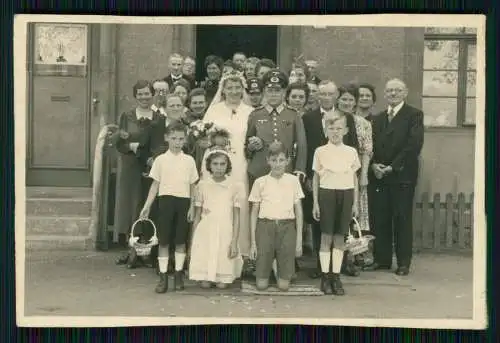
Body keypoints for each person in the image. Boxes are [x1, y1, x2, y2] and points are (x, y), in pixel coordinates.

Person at [365, 78, 424, 276]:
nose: (393, 94)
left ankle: (403, 262)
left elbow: (413, 146)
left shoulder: (414, 115)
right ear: (384, 94)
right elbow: (370, 145)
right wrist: (373, 165)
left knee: (401, 219)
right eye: (389, 90)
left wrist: (392, 167)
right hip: (379, 176)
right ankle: (382, 260)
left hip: (401, 176)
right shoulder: (378, 118)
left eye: (397, 90)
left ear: (405, 93)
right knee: (380, 218)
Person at [140, 122, 199, 293]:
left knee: (180, 241)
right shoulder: (160, 160)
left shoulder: (189, 161)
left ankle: (179, 275)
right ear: (167, 138)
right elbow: (155, 185)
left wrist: (192, 207)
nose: (177, 142)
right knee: (164, 241)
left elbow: (193, 186)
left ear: (185, 140)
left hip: (183, 202)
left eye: (181, 139)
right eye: (173, 138)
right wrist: (147, 206)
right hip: (165, 202)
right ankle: (163, 277)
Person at [203, 71, 254, 260]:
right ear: (223, 89)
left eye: (237, 87)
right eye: (229, 87)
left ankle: (242, 252)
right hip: (218, 162)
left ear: (243, 89)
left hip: (240, 163)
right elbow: (205, 135)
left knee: (239, 202)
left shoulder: (249, 112)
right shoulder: (215, 110)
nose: (233, 91)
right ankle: (215, 253)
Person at [113, 80, 165, 248]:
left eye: (147, 93)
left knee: (148, 202)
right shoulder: (126, 116)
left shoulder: (159, 118)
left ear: (153, 95)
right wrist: (130, 146)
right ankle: (132, 247)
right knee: (131, 202)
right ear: (135, 96)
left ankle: (148, 245)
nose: (144, 97)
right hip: (131, 165)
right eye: (140, 94)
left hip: (151, 166)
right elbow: (119, 143)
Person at [312, 115, 360, 295]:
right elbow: (316, 178)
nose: (335, 132)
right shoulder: (320, 151)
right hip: (326, 194)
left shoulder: (351, 152)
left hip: (346, 194)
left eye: (339, 128)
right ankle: (325, 277)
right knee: (326, 237)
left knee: (340, 237)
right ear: (325, 131)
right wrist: (316, 202)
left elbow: (354, 178)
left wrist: (355, 202)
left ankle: (336, 276)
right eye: (331, 128)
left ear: (345, 131)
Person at [249, 141, 304, 291]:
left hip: (287, 228)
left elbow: (298, 211)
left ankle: (280, 268)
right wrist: (253, 243)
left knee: (284, 286)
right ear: (268, 161)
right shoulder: (260, 182)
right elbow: (254, 212)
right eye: (274, 160)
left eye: (281, 160)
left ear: (287, 161)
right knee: (261, 286)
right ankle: (269, 266)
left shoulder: (293, 181)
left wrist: (299, 240)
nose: (277, 164)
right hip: (265, 227)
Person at [189, 150, 244, 289]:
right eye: (215, 164)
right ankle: (206, 274)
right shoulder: (202, 185)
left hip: (225, 230)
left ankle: (222, 274)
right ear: (209, 165)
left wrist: (234, 242)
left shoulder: (235, 186)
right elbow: (197, 215)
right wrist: (194, 240)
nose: (219, 167)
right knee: (205, 284)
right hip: (206, 230)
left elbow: (237, 216)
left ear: (227, 165)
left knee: (221, 285)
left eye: (222, 164)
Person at [245, 69, 307, 190]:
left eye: (277, 90)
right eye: (270, 90)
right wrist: (251, 146)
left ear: (284, 92)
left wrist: (299, 169)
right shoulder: (255, 114)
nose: (273, 94)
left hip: (285, 171)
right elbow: (247, 145)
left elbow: (302, 145)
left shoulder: (293, 115)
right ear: (264, 92)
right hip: (259, 171)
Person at [301, 80, 338, 279]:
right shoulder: (309, 118)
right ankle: (319, 262)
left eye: (330, 94)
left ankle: (336, 264)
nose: (326, 97)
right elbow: (305, 149)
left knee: (337, 221)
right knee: (317, 220)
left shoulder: (345, 117)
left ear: (336, 96)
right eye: (322, 94)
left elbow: (353, 148)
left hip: (340, 179)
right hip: (317, 176)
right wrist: (308, 175)